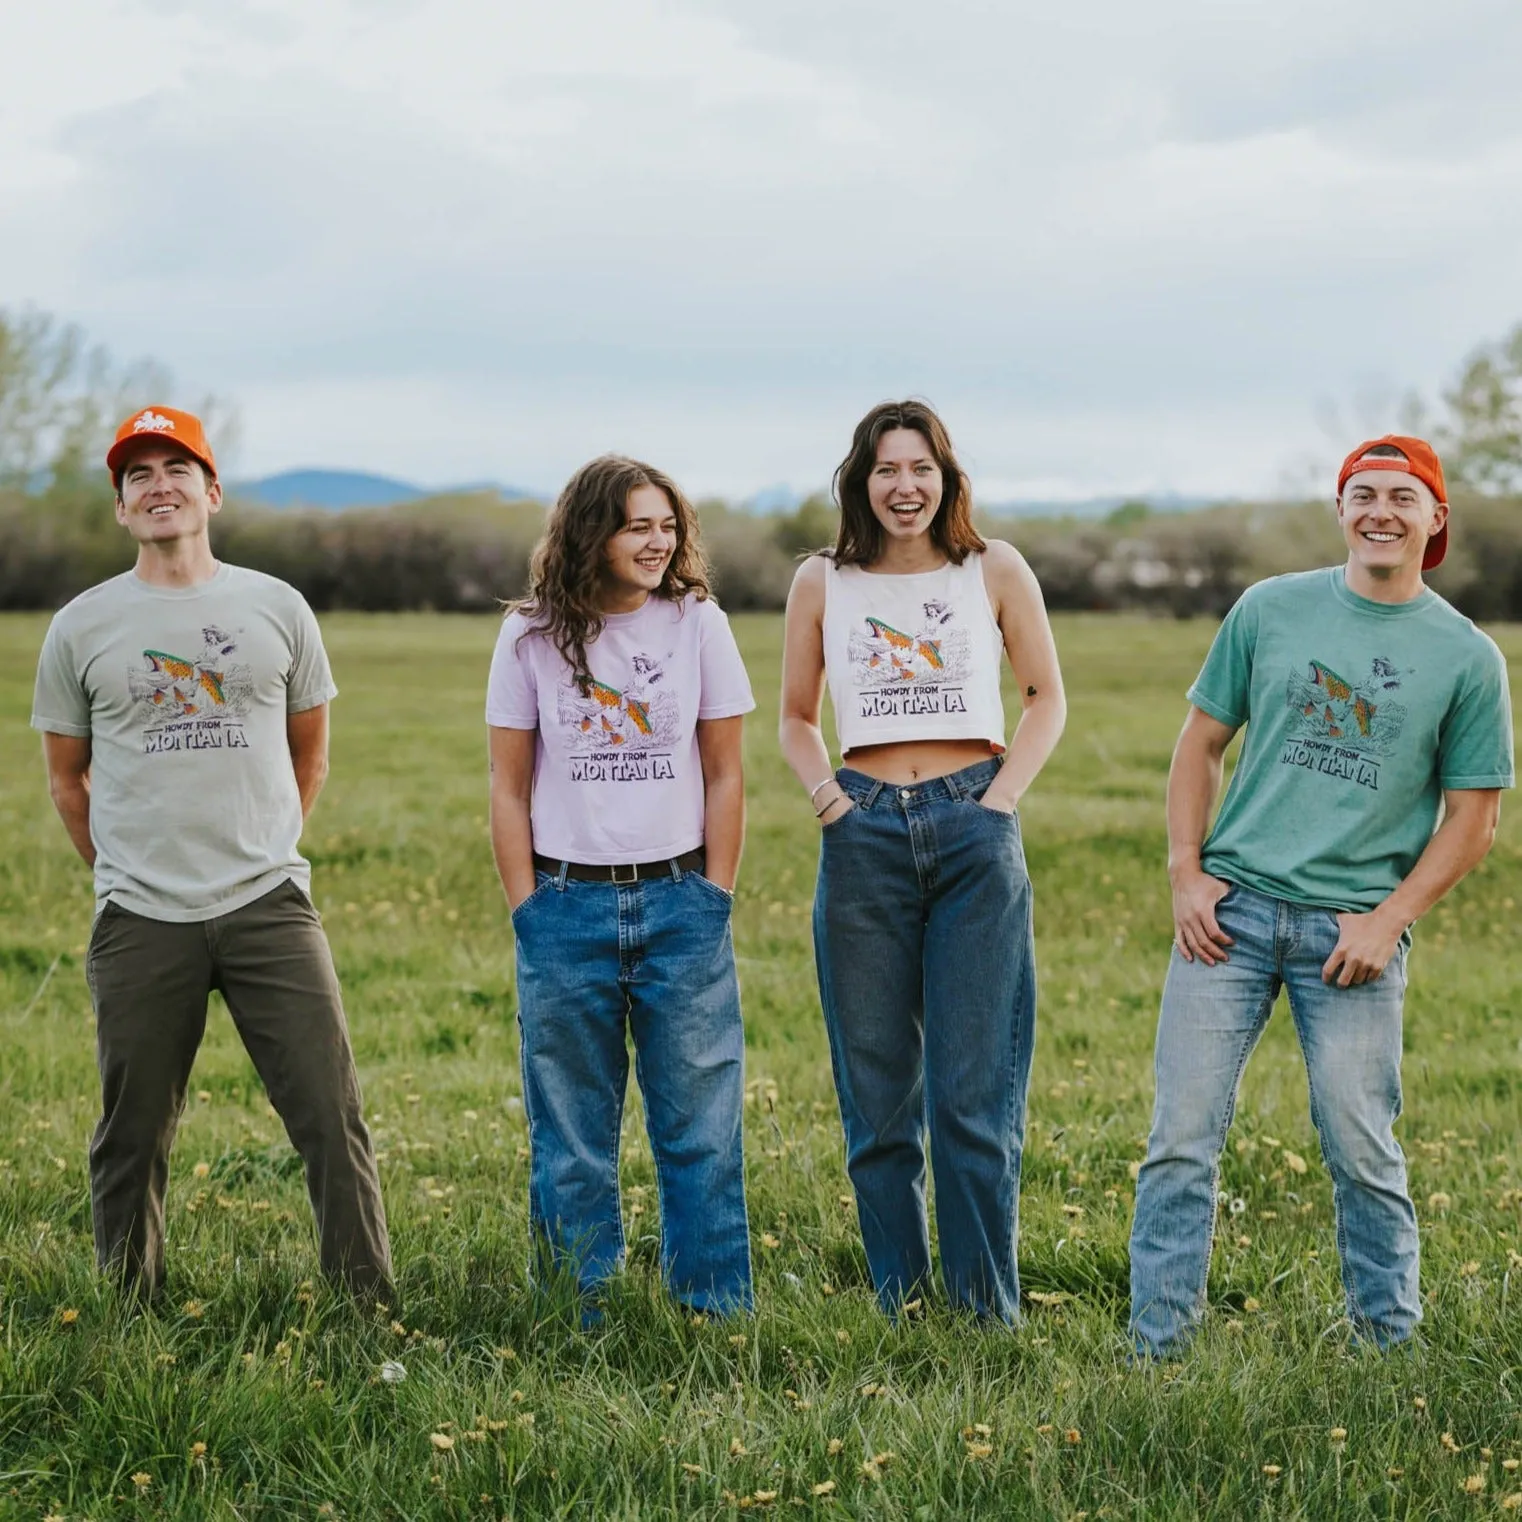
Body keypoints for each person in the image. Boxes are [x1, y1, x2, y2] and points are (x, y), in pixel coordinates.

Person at [1129, 435, 1513, 1356]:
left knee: (1361, 1150)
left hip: (1352, 938)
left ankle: (1388, 1348)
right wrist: (1187, 871)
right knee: (1180, 1140)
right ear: (1341, 511)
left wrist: (1389, 921)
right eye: (1362, 495)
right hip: (1231, 920)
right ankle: (1156, 1349)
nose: (1380, 511)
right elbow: (1199, 744)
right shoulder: (1270, 610)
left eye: (1402, 497)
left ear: (1436, 519)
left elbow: (1473, 820)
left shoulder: (1467, 657)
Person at [30, 405, 393, 1304]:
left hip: (270, 902)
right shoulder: (81, 626)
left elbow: (311, 752)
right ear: (121, 507)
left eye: (175, 469)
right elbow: (67, 780)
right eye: (138, 476)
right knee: (133, 1129)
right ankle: (129, 1303)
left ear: (211, 491)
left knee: (330, 1114)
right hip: (140, 914)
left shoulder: (277, 607)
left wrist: (264, 840)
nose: (159, 487)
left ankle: (366, 1302)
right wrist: (126, 866)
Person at [779, 400, 1066, 1320]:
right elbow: (792, 714)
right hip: (861, 832)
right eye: (886, 471)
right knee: (875, 1095)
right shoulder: (821, 580)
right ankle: (898, 1304)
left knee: (973, 1096)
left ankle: (987, 1313)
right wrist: (828, 798)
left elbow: (1045, 698)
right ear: (860, 482)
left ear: (946, 479)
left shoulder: (994, 568)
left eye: (921, 470)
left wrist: (1000, 801)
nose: (905, 488)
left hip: (973, 830)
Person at [486, 454, 755, 1317]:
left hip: (682, 904)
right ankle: (578, 1310)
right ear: (590, 532)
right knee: (570, 1139)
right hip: (565, 908)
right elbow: (506, 785)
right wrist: (527, 909)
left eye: (667, 526)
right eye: (637, 525)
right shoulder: (529, 634)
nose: (656, 541)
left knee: (701, 1130)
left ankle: (713, 1309)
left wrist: (714, 896)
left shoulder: (698, 623)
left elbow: (725, 775)